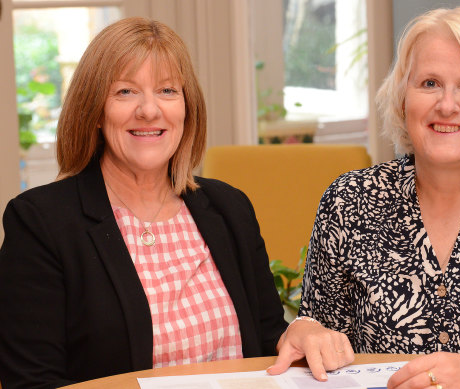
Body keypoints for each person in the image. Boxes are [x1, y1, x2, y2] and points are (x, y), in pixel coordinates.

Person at [0, 17, 352, 389]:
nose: (149, 110)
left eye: (167, 90)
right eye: (125, 92)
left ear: (186, 107)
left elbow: (268, 338)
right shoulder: (40, 223)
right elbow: (31, 381)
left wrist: (300, 333)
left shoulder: (229, 207)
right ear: (94, 112)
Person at [272, 6, 460, 389]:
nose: (447, 105)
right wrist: (308, 332)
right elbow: (321, 336)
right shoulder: (350, 200)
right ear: (403, 98)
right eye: (429, 83)